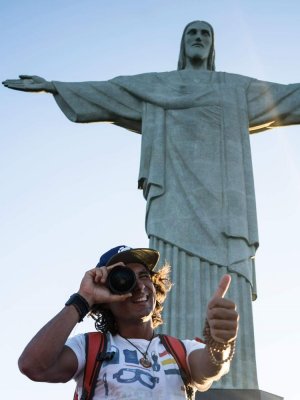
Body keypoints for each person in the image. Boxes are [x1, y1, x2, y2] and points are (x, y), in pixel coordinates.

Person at [3, 21, 300, 389]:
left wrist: (220, 342)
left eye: (205, 34)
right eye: (191, 32)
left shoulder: (234, 88)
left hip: (226, 207)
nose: (198, 39)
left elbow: (289, 97)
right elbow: (111, 92)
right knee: (175, 255)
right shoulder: (159, 86)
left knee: (225, 285)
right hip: (174, 198)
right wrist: (55, 87)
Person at [18, 246, 239, 400]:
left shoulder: (180, 350)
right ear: (106, 294)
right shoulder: (89, 347)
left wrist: (219, 342)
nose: (139, 287)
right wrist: (83, 299)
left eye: (144, 276)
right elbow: (33, 366)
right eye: (125, 280)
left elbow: (210, 367)